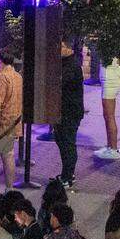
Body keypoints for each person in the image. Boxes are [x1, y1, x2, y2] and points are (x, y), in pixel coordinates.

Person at [51, 38, 85, 187]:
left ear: (67, 48)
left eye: (59, 48)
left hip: (70, 111)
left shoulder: (72, 65)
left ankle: (68, 176)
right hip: (64, 110)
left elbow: (60, 82)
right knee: (61, 140)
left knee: (68, 143)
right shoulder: (66, 63)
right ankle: (66, 173)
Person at [0, 49, 23, 189]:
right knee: (9, 154)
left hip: (2, 122)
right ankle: (9, 189)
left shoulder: (1, 77)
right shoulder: (18, 76)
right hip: (15, 120)